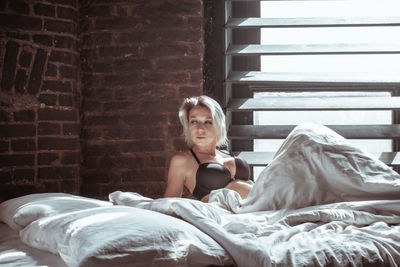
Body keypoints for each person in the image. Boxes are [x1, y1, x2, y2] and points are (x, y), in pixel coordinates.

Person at [164, 95, 254, 202]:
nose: (200, 129)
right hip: (221, 217)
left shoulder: (226, 155)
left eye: (207, 122)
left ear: (218, 124)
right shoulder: (181, 161)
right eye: (194, 122)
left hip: (257, 212)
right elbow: (169, 204)